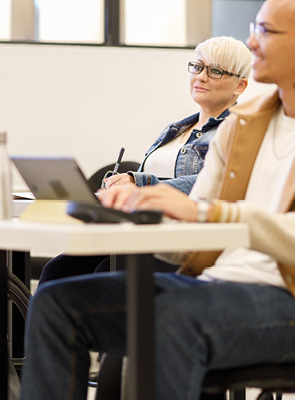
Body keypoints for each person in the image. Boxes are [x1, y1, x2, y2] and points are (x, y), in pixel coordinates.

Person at [20, 0, 295, 399]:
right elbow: (191, 237)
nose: (252, 41)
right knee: (58, 304)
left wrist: (206, 212)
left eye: (267, 31)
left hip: (283, 299)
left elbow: (208, 212)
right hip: (217, 284)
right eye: (255, 28)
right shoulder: (242, 128)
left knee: (171, 319)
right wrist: (130, 216)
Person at [38, 36, 252, 284]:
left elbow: (212, 182)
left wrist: (140, 185)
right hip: (136, 232)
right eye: (197, 66)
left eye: (215, 71)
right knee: (57, 271)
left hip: (181, 244)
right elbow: (140, 179)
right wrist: (122, 182)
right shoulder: (176, 129)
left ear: (240, 86)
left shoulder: (238, 130)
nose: (201, 76)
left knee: (103, 276)